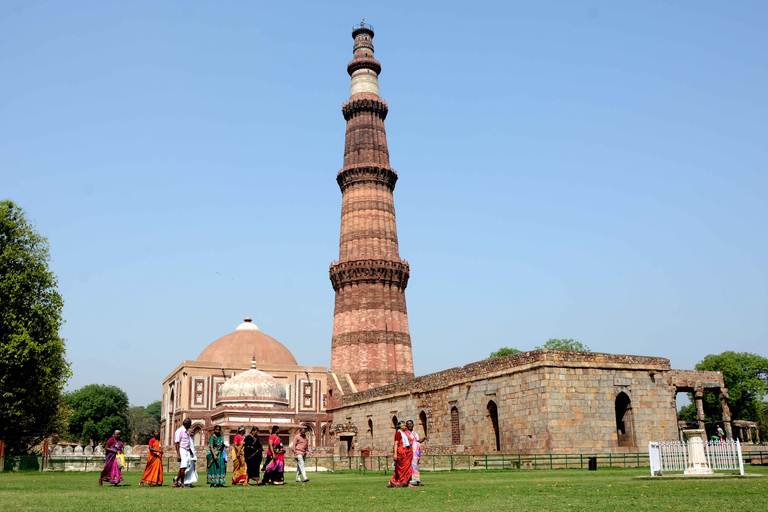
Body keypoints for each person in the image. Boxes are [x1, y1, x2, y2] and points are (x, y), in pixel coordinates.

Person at [387, 421, 413, 488]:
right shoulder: (398, 434)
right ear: (401, 426)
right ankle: (392, 482)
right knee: (400, 469)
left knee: (408, 469)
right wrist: (395, 454)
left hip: (407, 453)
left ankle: (408, 483)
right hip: (402, 453)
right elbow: (396, 444)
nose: (406, 426)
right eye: (404, 425)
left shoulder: (405, 433)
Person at [405, 420, 427, 486]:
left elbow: (418, 441)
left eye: (411, 424)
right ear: (406, 426)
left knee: (415, 466)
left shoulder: (415, 434)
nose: (409, 425)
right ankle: (408, 481)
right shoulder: (406, 434)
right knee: (409, 466)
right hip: (409, 452)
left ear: (413, 425)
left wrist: (424, 438)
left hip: (416, 453)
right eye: (408, 424)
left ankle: (417, 480)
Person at [173, 418, 193, 488]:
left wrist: (191, 452)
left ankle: (176, 481)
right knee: (183, 466)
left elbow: (187, 442)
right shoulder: (180, 431)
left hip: (186, 450)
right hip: (182, 450)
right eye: (190, 423)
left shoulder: (186, 431)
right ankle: (182, 483)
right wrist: (178, 454)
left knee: (184, 467)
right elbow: (177, 443)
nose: (191, 425)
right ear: (187, 424)